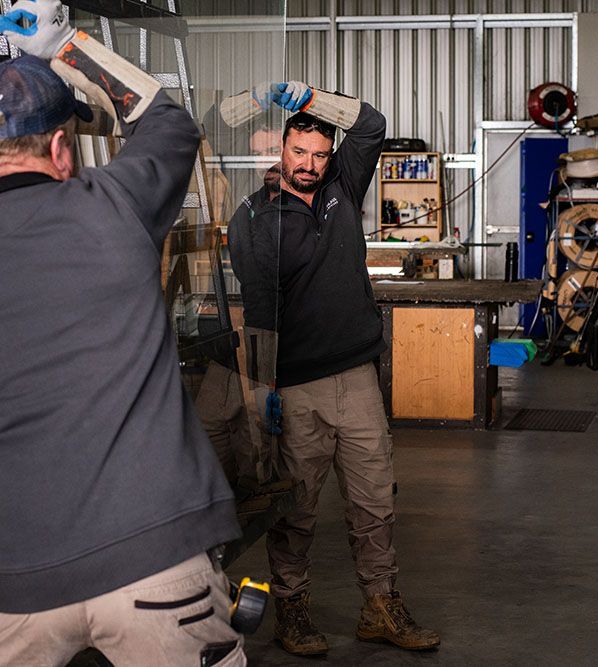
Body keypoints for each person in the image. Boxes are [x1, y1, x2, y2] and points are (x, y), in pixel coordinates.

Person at [0, 1, 244, 665]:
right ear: (63, 148)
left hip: (17, 578)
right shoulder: (112, 205)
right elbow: (166, 121)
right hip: (157, 563)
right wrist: (66, 46)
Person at [225, 82, 441, 655]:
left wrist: (311, 97)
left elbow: (371, 123)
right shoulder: (253, 218)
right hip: (294, 385)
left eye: (320, 154)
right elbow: (260, 309)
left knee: (375, 501)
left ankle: (380, 606)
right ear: (281, 152)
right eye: (300, 153)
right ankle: (293, 613)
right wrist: (263, 386)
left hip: (357, 375)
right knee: (295, 509)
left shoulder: (345, 186)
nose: (310, 165)